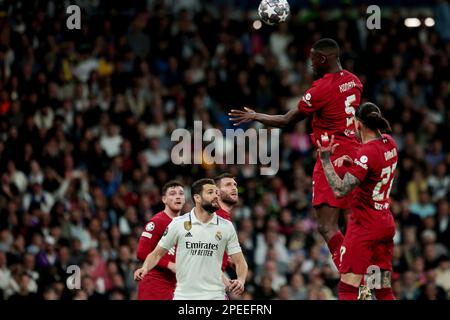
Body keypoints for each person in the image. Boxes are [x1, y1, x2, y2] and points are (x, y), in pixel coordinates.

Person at [229, 38, 363, 268]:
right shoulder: (354, 81)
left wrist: (255, 116)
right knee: (350, 219)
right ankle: (361, 266)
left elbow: (286, 120)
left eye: (312, 59)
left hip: (332, 156)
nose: (310, 63)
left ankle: (349, 270)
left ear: (323, 59)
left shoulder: (322, 87)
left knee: (326, 225)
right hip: (355, 153)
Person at [317, 102, 397, 300]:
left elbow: (339, 189)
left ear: (358, 124)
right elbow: (375, 169)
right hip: (385, 224)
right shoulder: (390, 143)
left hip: (365, 226)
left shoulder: (367, 153)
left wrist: (325, 160)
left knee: (347, 289)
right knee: (383, 288)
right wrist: (354, 164)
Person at [134, 178, 248, 300]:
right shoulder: (169, 223)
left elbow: (208, 262)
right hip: (159, 286)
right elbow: (149, 253)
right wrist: (153, 267)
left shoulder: (225, 225)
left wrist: (234, 280)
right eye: (210, 192)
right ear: (197, 198)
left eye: (181, 193)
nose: (216, 196)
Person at [135, 181, 186, 300]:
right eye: (172, 194)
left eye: (181, 194)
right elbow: (141, 253)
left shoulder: (186, 225)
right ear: (164, 199)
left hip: (175, 287)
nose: (177, 196)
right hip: (154, 285)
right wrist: (169, 265)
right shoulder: (157, 222)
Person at [214, 173, 239, 288]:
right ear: (216, 192)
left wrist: (227, 259)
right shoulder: (213, 218)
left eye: (235, 185)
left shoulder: (224, 217)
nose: (234, 187)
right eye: (228, 185)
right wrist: (225, 281)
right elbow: (205, 256)